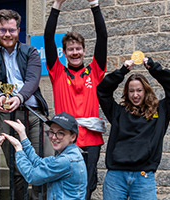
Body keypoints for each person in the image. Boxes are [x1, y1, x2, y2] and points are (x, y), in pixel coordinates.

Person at [0, 9, 50, 199]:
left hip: (32, 113)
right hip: (6, 115)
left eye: (11, 30)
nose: (7, 34)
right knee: (17, 166)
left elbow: (33, 80)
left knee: (40, 162)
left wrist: (19, 98)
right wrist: (0, 96)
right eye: (2, 30)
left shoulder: (30, 52)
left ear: (19, 30)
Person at [44, 0, 108, 198]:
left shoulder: (95, 71)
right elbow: (47, 38)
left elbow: (103, 37)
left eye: (78, 48)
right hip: (65, 140)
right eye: (70, 49)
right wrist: (57, 4)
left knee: (87, 188)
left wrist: (94, 5)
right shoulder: (57, 72)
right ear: (64, 53)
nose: (75, 52)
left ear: (84, 51)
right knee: (64, 185)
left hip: (90, 140)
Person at [96, 57, 170, 199]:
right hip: (116, 177)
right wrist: (122, 71)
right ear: (126, 92)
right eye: (131, 91)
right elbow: (102, 91)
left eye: (139, 90)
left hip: (144, 177)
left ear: (146, 91)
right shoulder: (118, 112)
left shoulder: (160, 111)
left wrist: (154, 68)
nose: (135, 95)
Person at [2, 112, 87, 199]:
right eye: (51, 132)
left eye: (60, 133)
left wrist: (19, 150)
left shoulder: (66, 160)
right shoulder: (66, 155)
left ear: (72, 137)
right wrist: (23, 136)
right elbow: (38, 162)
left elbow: (32, 177)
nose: (54, 137)